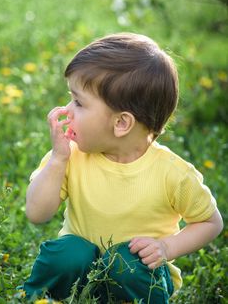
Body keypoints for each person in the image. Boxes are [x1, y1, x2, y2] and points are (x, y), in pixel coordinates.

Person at [21, 32, 223, 302]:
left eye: (79, 102)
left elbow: (210, 222)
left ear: (121, 124)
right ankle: (33, 298)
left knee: (126, 261)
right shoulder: (70, 156)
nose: (67, 110)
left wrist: (166, 247)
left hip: (137, 279)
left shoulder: (171, 173)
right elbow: (36, 213)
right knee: (68, 253)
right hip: (82, 273)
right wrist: (57, 160)